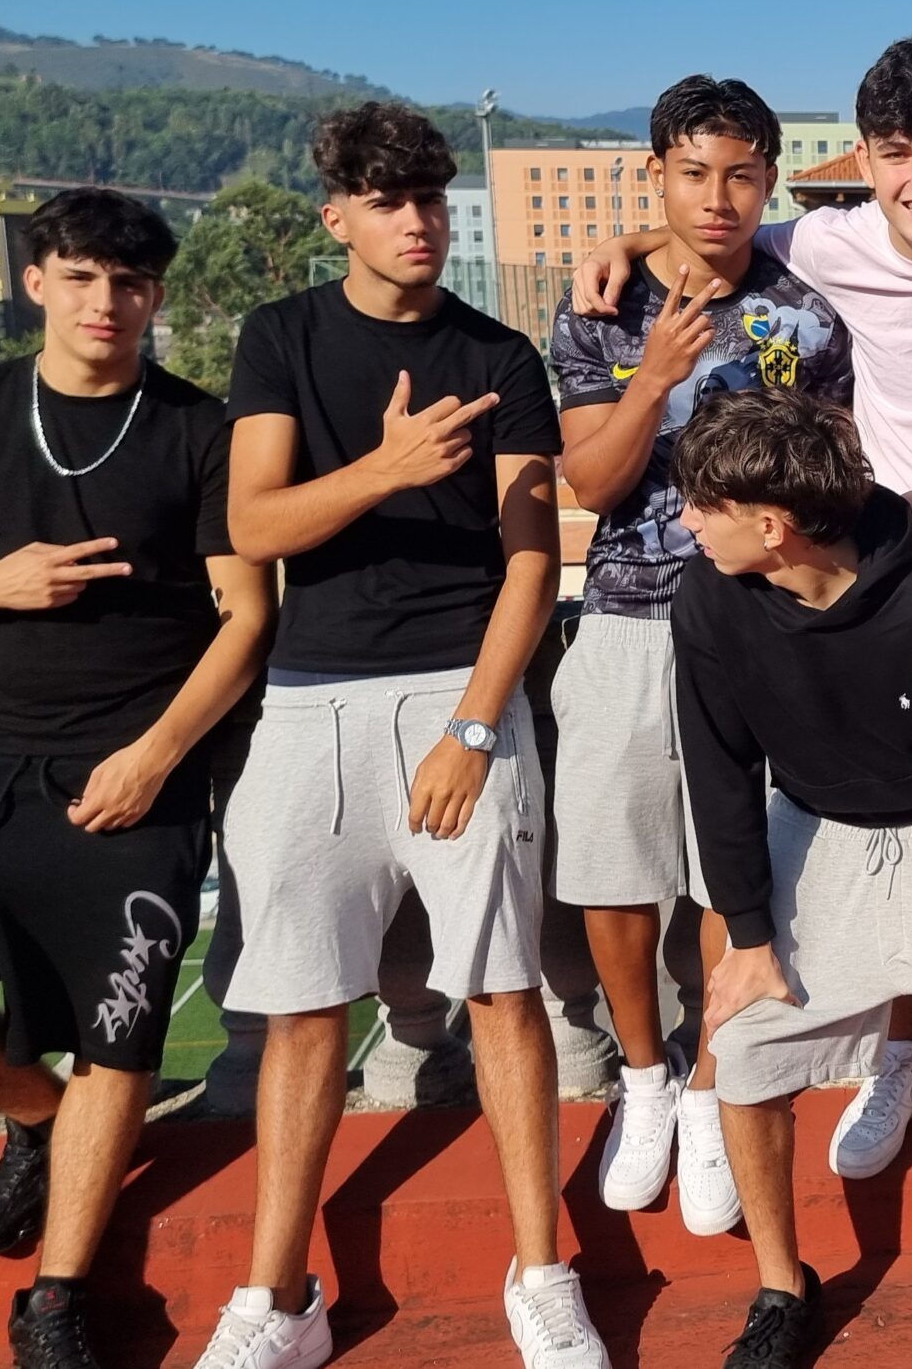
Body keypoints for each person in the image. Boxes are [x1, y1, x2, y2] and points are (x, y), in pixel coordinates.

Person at [577, 35, 912, 1183]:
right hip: (880, 567)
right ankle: (897, 1052)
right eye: (897, 154)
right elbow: (706, 228)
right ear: (862, 160)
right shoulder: (822, 241)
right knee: (893, 806)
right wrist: (621, 244)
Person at [0, 188, 274, 1369]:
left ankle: (56, 1301)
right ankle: (42, 1119)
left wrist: (154, 758)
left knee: (119, 1037)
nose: (104, 302)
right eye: (80, 277)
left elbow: (247, 617)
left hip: (133, 772)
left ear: (155, 296)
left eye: (129, 283)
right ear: (36, 283)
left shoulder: (200, 429)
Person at [193, 104, 607, 1369]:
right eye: (386, 201)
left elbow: (531, 564)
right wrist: (384, 469)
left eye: (427, 197)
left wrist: (474, 728)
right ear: (339, 217)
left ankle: (544, 1276)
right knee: (302, 1012)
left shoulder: (499, 355)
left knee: (503, 994)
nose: (416, 221)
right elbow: (254, 526)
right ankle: (276, 1299)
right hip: (307, 707)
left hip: (459, 698)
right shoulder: (281, 337)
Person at [670, 387, 912, 1369]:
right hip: (811, 830)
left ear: (773, 526)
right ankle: (780, 1286)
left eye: (703, 506)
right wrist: (748, 935)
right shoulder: (707, 596)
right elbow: (719, 773)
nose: (686, 522)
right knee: (743, 1046)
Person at [546, 74, 850, 1234]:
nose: (716, 197)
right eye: (691, 173)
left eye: (740, 175)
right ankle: (645, 1079)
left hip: (754, 625)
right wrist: (656, 379)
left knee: (737, 873)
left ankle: (718, 1084)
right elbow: (590, 482)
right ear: (655, 175)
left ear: (768, 181)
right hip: (625, 618)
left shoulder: (806, 318)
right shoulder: (600, 305)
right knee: (614, 871)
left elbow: (831, 481)